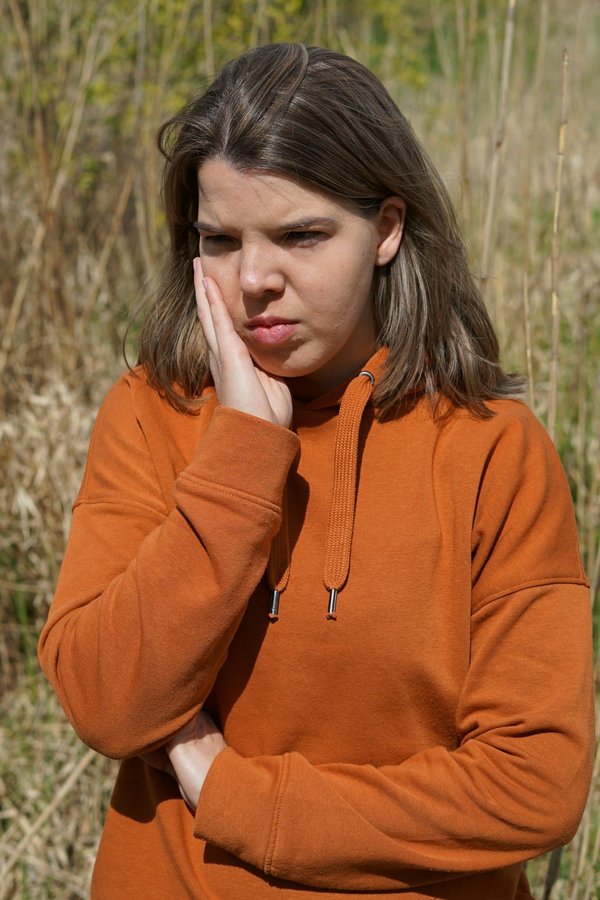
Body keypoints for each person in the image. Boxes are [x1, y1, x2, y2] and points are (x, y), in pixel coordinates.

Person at [38, 42, 593, 900]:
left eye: (300, 234)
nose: (255, 279)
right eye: (218, 240)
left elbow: (534, 787)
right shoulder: (152, 415)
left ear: (389, 228)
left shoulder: (491, 451)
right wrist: (241, 457)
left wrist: (231, 791)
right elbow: (108, 703)